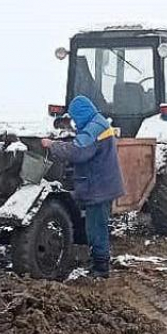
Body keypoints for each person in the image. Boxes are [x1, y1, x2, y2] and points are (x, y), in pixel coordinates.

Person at [42, 95, 125, 279]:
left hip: (99, 187)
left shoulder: (95, 128)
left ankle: (101, 269)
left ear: (81, 114)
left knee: (96, 228)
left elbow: (78, 151)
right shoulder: (97, 123)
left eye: (74, 117)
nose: (73, 122)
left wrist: (53, 145)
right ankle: (97, 261)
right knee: (94, 226)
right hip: (99, 184)